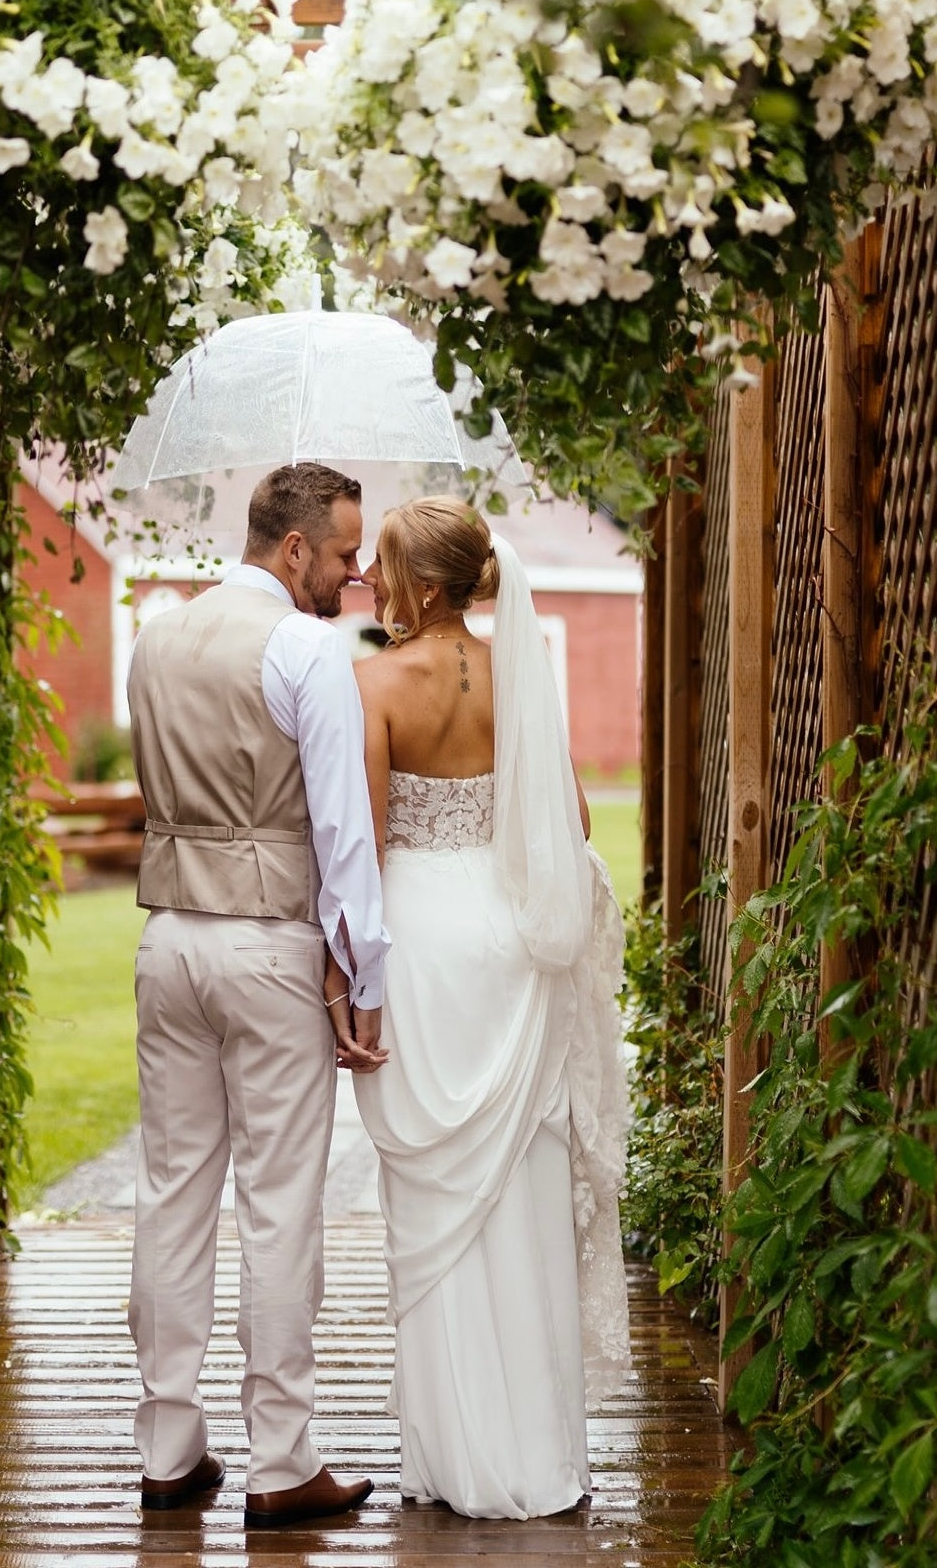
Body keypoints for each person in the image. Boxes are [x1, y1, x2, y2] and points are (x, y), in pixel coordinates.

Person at [341, 495, 631, 1521]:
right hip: (508, 940)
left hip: (422, 942)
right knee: (523, 1194)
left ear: (422, 585)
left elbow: (364, 852)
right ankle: (542, 1454)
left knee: (435, 1203)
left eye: (379, 565)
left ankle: (453, 1457)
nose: (368, 582)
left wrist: (347, 985)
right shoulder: (521, 674)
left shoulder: (372, 679)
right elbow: (576, 817)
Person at [125, 462, 389, 1529]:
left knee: (172, 1188)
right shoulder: (304, 647)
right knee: (278, 1202)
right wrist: (361, 974)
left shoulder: (155, 636)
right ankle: (282, 1461)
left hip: (166, 941)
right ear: (292, 550)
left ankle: (167, 1446)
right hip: (269, 946)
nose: (354, 572)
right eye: (341, 552)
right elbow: (342, 829)